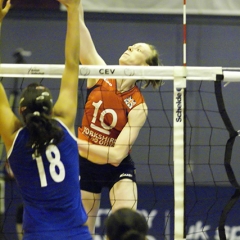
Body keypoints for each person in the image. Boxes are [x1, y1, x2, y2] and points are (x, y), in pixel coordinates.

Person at [0, 0, 92, 239]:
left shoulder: (13, 136)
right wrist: (73, 9)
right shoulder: (64, 121)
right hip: (75, 234)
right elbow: (72, 64)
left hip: (38, 234)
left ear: (21, 110)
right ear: (52, 109)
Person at [77, 0, 163, 235]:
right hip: (85, 165)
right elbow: (81, 34)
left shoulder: (138, 107)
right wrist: (75, 7)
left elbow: (116, 155)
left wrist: (74, 144)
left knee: (126, 227)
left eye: (137, 49)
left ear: (145, 67)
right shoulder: (98, 72)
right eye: (132, 45)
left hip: (117, 168)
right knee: (82, 232)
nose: (130, 47)